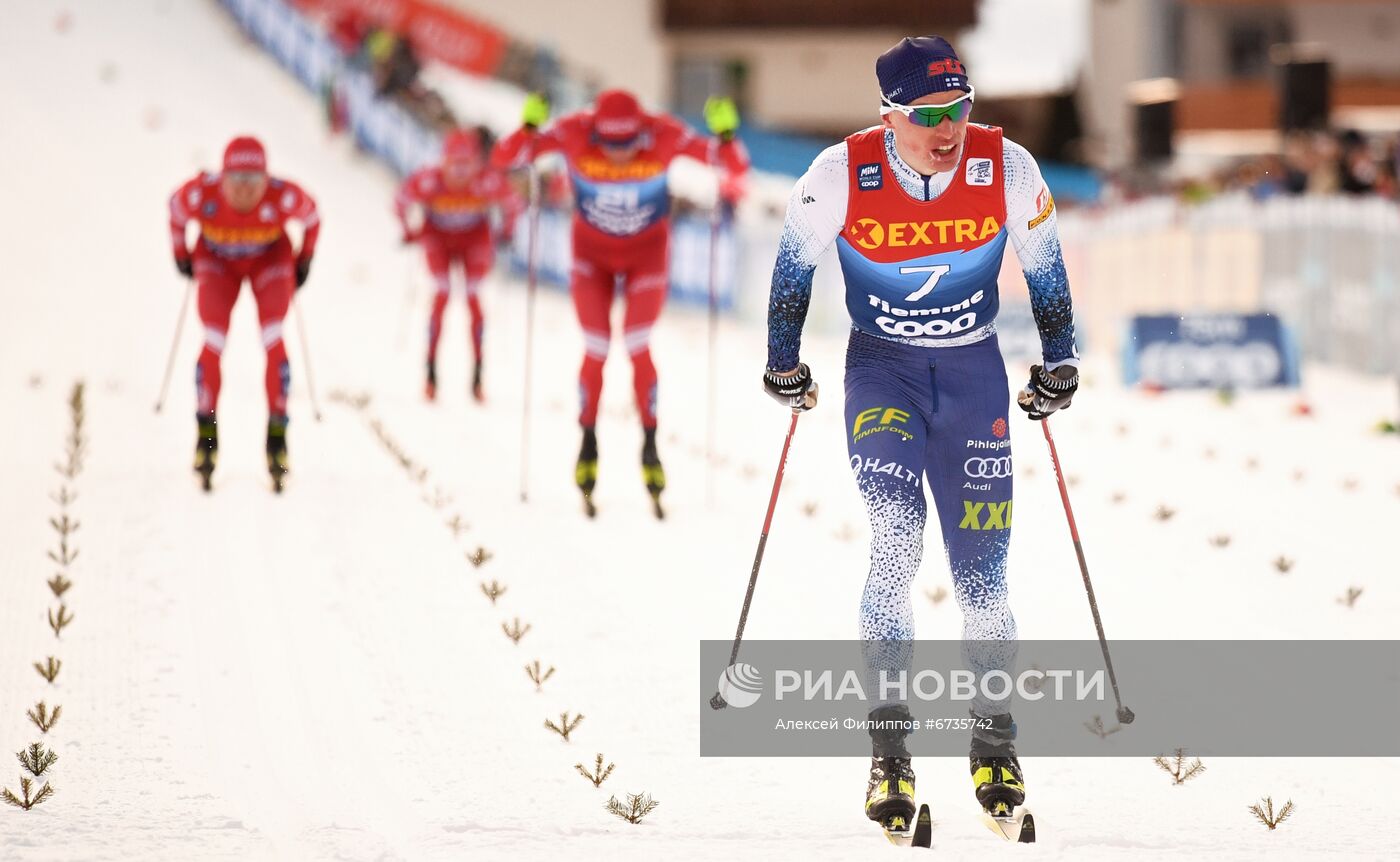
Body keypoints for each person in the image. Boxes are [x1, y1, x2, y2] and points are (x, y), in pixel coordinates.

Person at [760, 37, 1080, 830]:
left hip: (974, 379)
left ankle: (994, 740)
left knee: (984, 584)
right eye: (928, 114)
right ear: (889, 115)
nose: (949, 129)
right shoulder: (839, 172)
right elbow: (792, 265)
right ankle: (890, 752)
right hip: (884, 374)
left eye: (960, 109)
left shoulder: (1008, 168)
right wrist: (782, 362)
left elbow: (1045, 265)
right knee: (897, 540)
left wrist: (1061, 361)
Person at [492, 89, 750, 513]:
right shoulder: (575, 131)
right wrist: (530, 127)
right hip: (591, 259)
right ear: (595, 130)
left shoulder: (662, 134)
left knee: (635, 343)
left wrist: (726, 133)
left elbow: (733, 166)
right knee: (595, 347)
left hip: (646, 258)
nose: (617, 156)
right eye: (609, 146)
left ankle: (649, 445)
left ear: (640, 132)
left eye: (627, 146)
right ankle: (588, 441)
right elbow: (507, 158)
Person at [169, 136, 319, 491]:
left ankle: (277, 437)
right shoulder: (200, 194)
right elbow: (175, 210)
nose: (244, 191)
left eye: (254, 182)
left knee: (273, 336)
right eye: (236, 181)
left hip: (269, 259)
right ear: (222, 178)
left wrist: (305, 259)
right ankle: (206, 439)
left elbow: (312, 217)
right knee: (214, 338)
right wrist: (180, 253)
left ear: (267, 179)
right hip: (217, 260)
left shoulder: (282, 196)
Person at [396, 127, 518, 401]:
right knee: (442, 293)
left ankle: (477, 375)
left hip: (475, 240)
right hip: (438, 239)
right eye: (455, 165)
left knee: (473, 297)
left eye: (468, 165)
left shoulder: (487, 181)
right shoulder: (430, 180)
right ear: (444, 161)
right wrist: (409, 230)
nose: (461, 173)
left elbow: (514, 204)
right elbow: (400, 200)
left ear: (477, 162)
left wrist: (507, 232)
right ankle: (430, 373)